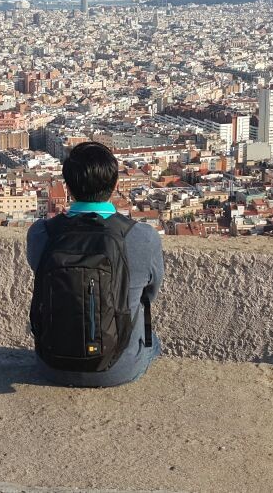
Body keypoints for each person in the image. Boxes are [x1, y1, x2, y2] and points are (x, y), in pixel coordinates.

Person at [26, 141, 164, 387]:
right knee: (153, 339)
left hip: (51, 365)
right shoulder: (142, 237)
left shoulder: (41, 234)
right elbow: (149, 294)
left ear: (67, 187)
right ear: (115, 186)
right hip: (118, 368)